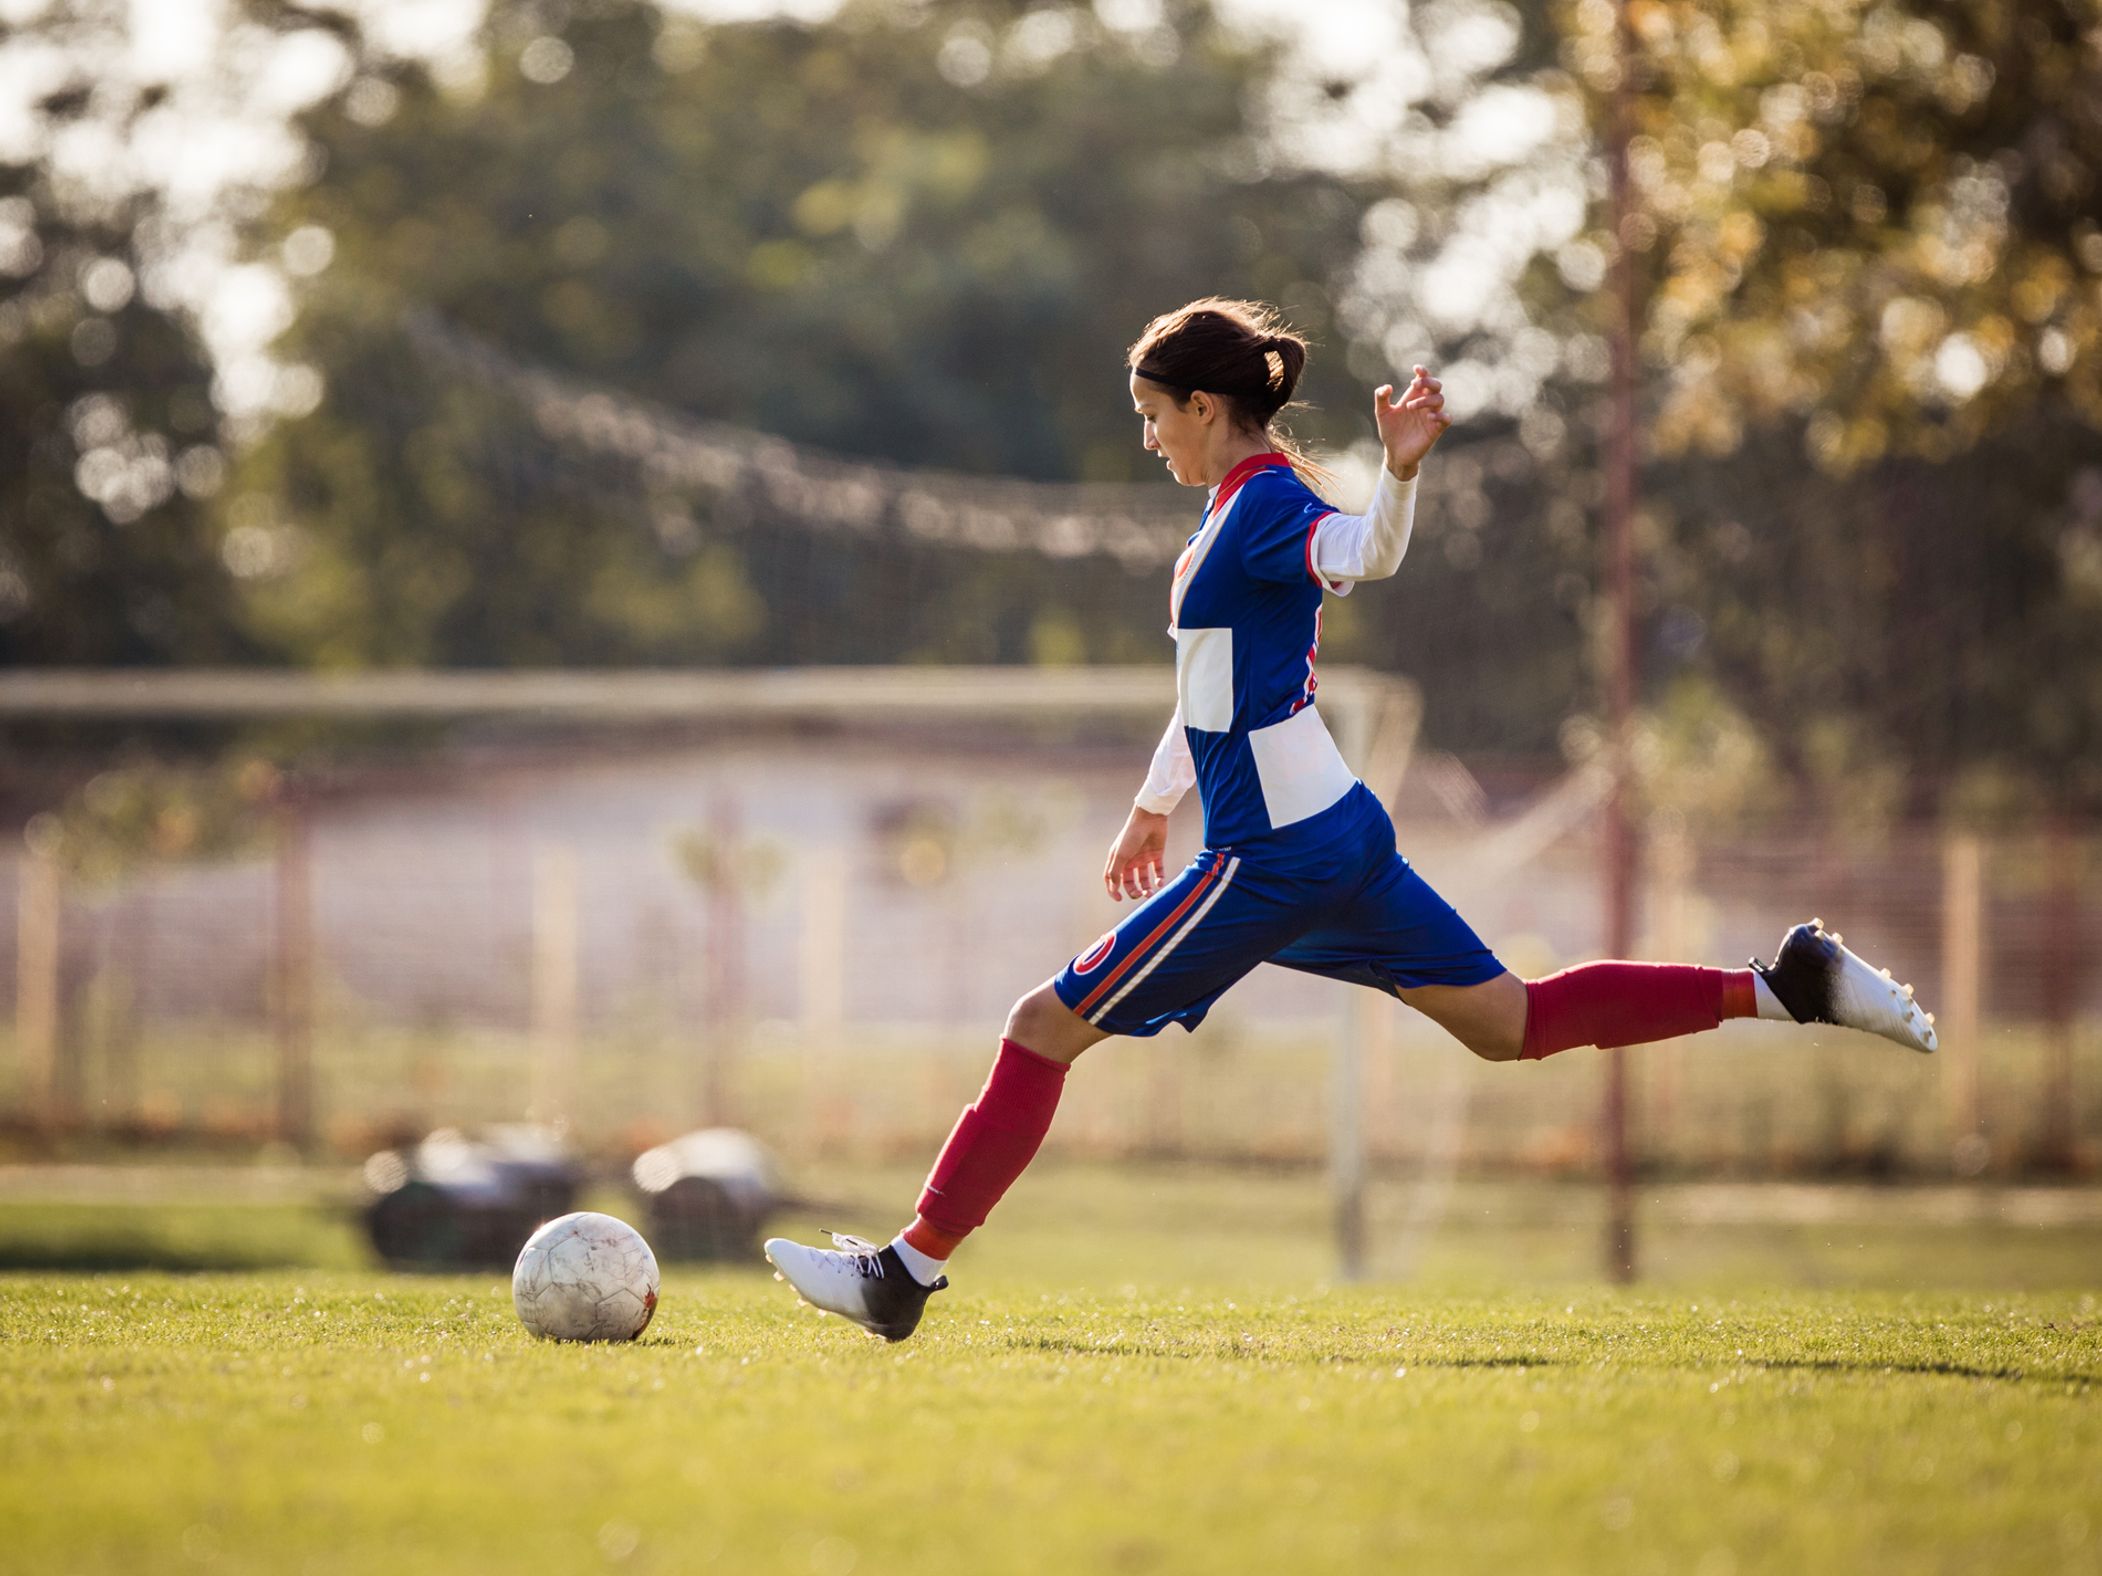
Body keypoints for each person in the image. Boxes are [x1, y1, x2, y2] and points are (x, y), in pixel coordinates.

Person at [764, 297, 1936, 1341]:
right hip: (1333, 836)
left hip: (1272, 858)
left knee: (1038, 1025)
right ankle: (1786, 983)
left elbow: (1362, 553)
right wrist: (1149, 803)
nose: (1146, 435)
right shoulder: (1226, 511)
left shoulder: (1268, 506)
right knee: (1507, 1024)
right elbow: (1211, 692)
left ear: (1206, 405)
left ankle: (902, 1273)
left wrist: (1404, 473)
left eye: (1151, 413)